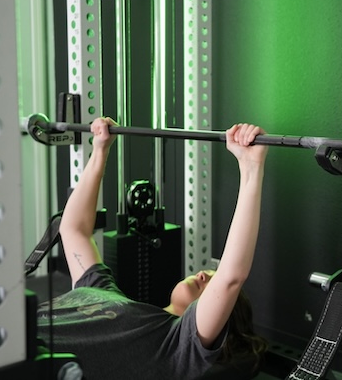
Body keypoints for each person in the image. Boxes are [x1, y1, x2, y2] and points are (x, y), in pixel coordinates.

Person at [37, 117, 269, 379]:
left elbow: (231, 278)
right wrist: (101, 148)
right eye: (207, 273)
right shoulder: (105, 292)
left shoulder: (175, 347)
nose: (203, 275)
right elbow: (73, 230)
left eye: (208, 284)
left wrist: (251, 168)